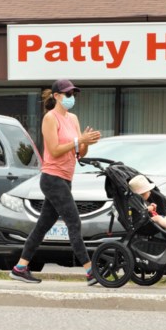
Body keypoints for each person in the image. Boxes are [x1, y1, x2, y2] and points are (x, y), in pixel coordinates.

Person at [10, 79, 102, 284]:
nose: (71, 98)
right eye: (68, 95)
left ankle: (20, 268)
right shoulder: (50, 118)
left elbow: (79, 153)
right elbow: (54, 150)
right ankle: (90, 271)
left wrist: (86, 143)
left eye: (73, 95)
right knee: (74, 222)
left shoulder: (74, 118)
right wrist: (79, 141)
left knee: (43, 225)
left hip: (66, 178)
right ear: (56, 96)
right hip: (52, 178)